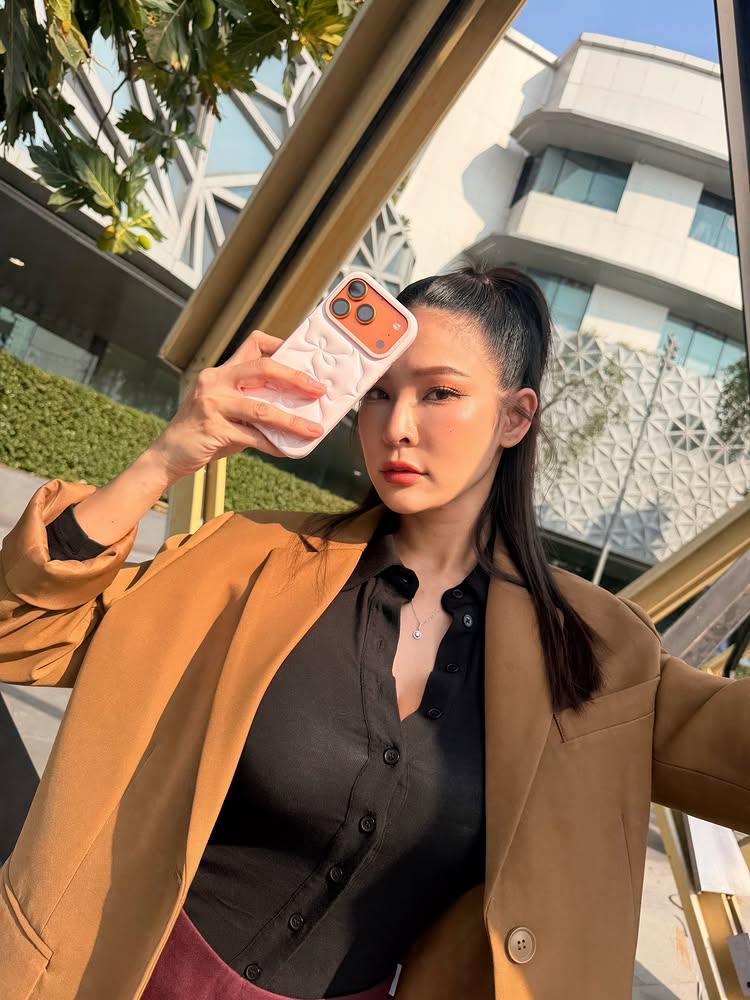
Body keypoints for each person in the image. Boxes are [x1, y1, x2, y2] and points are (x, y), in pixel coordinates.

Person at [0, 266, 748, 1000]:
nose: (397, 426)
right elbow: (23, 632)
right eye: (378, 392)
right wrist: (167, 456)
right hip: (126, 971)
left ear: (515, 418)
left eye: (440, 393)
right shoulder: (249, 560)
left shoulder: (595, 652)